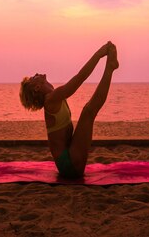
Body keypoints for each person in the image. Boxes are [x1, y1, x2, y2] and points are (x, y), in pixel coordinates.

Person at [19, 41, 119, 179]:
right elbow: (80, 78)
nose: (35, 73)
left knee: (88, 112)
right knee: (88, 112)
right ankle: (110, 68)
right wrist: (99, 54)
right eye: (33, 77)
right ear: (37, 88)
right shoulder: (51, 100)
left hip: (70, 157)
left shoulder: (53, 96)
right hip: (70, 165)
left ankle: (110, 68)